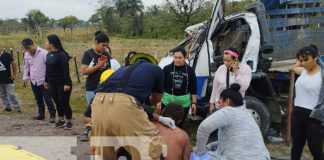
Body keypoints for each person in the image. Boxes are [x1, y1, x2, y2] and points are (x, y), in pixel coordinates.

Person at [85, 53, 176, 159]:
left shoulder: (123, 70)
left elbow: (127, 105)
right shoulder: (157, 70)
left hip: (98, 103)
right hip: (124, 105)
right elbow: (155, 101)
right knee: (150, 149)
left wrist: (159, 118)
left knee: (104, 154)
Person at [195, 83, 270, 160]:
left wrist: (199, 151)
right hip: (262, 156)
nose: (218, 105)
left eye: (219, 102)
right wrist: (210, 146)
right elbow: (234, 141)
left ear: (227, 101)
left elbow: (203, 128)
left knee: (195, 157)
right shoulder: (245, 112)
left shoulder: (228, 111)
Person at [291, 44, 324, 160]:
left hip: (313, 117)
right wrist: (302, 59)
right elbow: (294, 68)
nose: (303, 63)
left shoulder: (322, 75)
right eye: (301, 60)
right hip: (297, 114)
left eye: (306, 60)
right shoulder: (303, 72)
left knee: (315, 149)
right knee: (296, 146)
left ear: (316, 58)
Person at [161, 46, 197, 128]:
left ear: (185, 57)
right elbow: (161, 86)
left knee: (179, 124)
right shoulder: (166, 69)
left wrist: (194, 103)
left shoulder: (190, 70)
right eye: (175, 57)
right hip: (167, 101)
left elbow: (193, 88)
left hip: (183, 103)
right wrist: (159, 101)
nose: (177, 60)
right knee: (165, 123)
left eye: (180, 57)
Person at [22, 38, 56, 122]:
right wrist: (25, 78)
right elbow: (26, 67)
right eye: (26, 48)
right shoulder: (26, 55)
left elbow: (49, 67)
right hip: (34, 80)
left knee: (48, 99)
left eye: (29, 47)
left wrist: (47, 80)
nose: (28, 50)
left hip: (44, 81)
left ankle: (52, 115)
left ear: (33, 44)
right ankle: (41, 115)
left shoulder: (44, 53)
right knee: (38, 99)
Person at [209, 47, 252, 113]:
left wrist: (236, 73)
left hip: (236, 106)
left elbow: (244, 87)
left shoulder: (246, 69)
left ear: (236, 60)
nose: (225, 63)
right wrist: (211, 103)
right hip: (221, 105)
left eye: (228, 61)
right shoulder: (221, 68)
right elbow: (215, 87)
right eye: (224, 60)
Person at [44, 34, 73, 129]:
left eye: (47, 42)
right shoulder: (48, 55)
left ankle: (69, 121)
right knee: (57, 102)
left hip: (62, 83)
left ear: (52, 44)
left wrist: (67, 83)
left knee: (64, 102)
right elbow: (47, 69)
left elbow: (66, 71)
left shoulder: (62, 55)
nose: (45, 43)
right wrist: (46, 81)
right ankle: (61, 120)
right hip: (52, 83)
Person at [80, 31, 112, 104]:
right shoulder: (88, 54)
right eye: (103, 45)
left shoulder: (106, 54)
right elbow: (83, 71)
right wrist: (98, 66)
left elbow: (108, 70)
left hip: (104, 88)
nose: (105, 47)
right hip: (92, 88)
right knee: (92, 111)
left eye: (106, 45)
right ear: (96, 43)